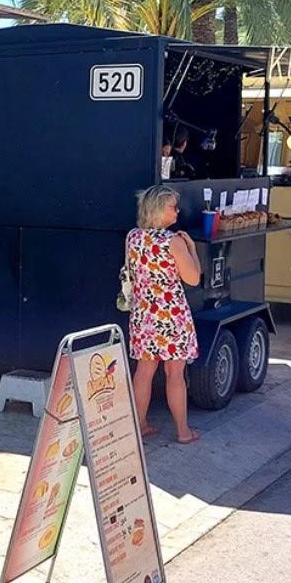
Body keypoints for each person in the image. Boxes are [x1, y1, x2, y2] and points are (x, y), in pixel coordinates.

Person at [125, 185, 201, 444]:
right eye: (172, 206)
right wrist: (191, 248)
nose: (177, 210)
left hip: (144, 313)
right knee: (174, 373)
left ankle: (140, 424)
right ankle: (182, 431)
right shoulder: (174, 241)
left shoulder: (133, 237)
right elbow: (192, 278)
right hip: (171, 314)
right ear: (159, 210)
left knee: (143, 372)